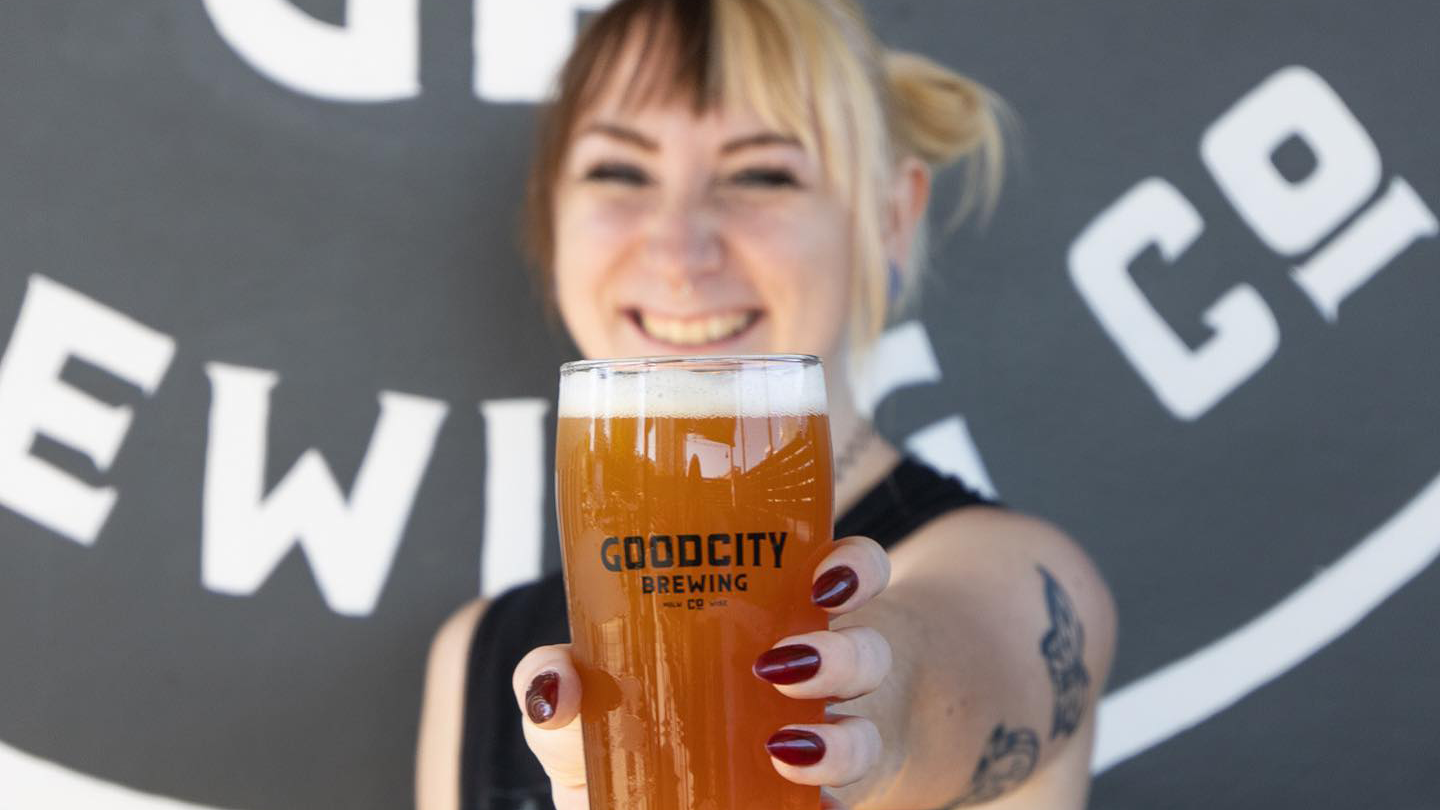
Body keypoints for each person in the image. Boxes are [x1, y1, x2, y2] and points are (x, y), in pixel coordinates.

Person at [417, 1, 1116, 808]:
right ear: (551, 215)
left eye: (762, 174)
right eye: (619, 172)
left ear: (890, 220)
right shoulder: (479, 652)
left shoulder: (1018, 577)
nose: (679, 250)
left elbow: (937, 678)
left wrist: (862, 720)